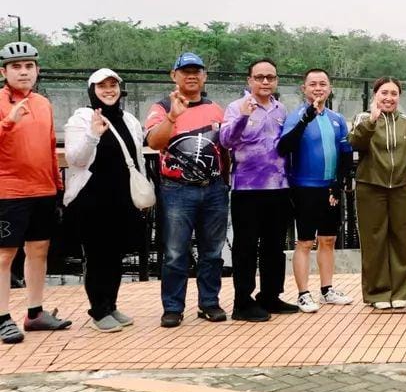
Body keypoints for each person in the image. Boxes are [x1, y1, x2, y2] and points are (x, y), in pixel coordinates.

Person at [146, 52, 229, 328]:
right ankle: (172, 306)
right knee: (174, 252)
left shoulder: (216, 109)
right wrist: (172, 117)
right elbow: (155, 142)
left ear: (204, 76)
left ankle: (209, 302)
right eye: (185, 71)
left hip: (214, 189)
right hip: (177, 190)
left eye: (197, 71)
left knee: (213, 251)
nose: (191, 76)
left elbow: (225, 148)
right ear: (174, 76)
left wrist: (225, 181)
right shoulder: (161, 107)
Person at [63, 69, 146, 332]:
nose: (108, 90)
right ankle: (98, 310)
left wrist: (143, 190)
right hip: (92, 199)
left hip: (121, 199)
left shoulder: (129, 119)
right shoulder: (81, 118)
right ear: (92, 90)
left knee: (115, 255)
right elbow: (74, 159)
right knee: (98, 256)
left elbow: (138, 158)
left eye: (113, 85)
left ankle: (111, 304)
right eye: (102, 86)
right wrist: (93, 134)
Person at [0, 42, 71, 344]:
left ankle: (35, 313)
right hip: (8, 190)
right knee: (4, 255)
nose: (24, 71)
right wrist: (8, 121)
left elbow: (51, 145)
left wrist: (58, 185)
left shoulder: (43, 103)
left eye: (29, 66)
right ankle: (2, 317)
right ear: (4, 72)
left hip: (42, 188)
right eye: (16, 66)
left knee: (39, 250)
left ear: (37, 70)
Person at [219, 59, 298, 322]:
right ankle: (242, 301)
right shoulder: (235, 107)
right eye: (260, 77)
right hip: (248, 189)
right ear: (249, 80)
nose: (265, 82)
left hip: (278, 187)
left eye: (271, 77)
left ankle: (270, 295)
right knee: (246, 247)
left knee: (275, 246)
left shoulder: (281, 109)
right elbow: (226, 140)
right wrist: (243, 115)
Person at [277, 69, 353, 313]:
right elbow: (284, 146)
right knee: (305, 241)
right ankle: (303, 293)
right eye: (313, 84)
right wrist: (306, 118)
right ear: (304, 89)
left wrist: (339, 183)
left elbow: (345, 154)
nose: (318, 88)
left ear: (330, 88)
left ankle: (327, 289)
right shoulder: (296, 116)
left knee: (328, 239)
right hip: (304, 187)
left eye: (323, 84)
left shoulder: (337, 119)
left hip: (328, 187)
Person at [350, 77, 406, 309]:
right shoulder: (363, 119)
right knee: (374, 240)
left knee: (401, 239)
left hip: (401, 188)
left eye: (393, 94)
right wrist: (372, 120)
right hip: (371, 187)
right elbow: (355, 143)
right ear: (375, 95)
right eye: (384, 93)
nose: (389, 98)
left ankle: (400, 291)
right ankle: (378, 293)